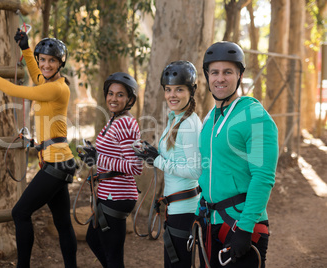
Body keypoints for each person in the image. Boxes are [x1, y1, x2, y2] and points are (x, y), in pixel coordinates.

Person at [0, 29, 77, 268]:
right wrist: (27, 50)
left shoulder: (57, 88)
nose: (45, 64)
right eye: (43, 60)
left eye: (52, 60)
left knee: (20, 213)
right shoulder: (48, 83)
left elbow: (15, 91)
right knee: (62, 224)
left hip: (56, 164)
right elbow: (36, 75)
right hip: (58, 162)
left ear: (61, 63)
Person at [197, 41, 278, 268]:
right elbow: (208, 171)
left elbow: (263, 176)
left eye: (227, 72)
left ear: (240, 75)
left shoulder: (256, 116)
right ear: (207, 76)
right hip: (210, 224)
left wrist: (245, 227)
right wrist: (197, 212)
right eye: (214, 72)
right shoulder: (209, 119)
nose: (220, 78)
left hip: (242, 225)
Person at [134, 61, 203, 267]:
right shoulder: (176, 118)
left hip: (185, 209)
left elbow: (195, 169)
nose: (172, 95)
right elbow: (176, 155)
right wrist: (152, 151)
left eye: (179, 89)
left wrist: (157, 160)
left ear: (191, 91)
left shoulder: (189, 123)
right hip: (176, 208)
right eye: (168, 89)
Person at [78, 72, 143, 268]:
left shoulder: (125, 123)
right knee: (94, 239)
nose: (114, 98)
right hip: (109, 194)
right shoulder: (114, 119)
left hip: (118, 196)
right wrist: (94, 152)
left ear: (130, 99)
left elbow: (135, 166)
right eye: (111, 93)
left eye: (120, 94)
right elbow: (115, 155)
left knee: (113, 257)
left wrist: (99, 158)